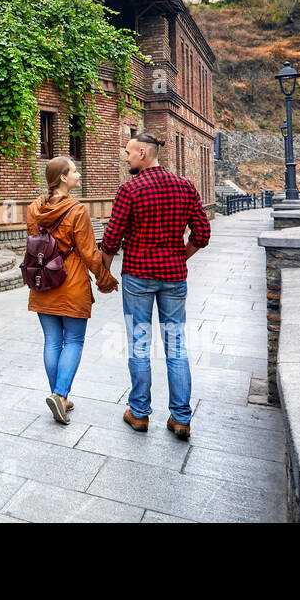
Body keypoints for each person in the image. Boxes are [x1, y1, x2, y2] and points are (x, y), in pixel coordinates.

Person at [99, 131, 211, 440]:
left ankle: (139, 413)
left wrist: (103, 274)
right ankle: (181, 419)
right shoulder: (186, 187)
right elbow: (202, 234)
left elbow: (111, 239)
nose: (126, 157)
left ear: (143, 155)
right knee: (176, 346)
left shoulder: (130, 190)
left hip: (138, 275)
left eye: (129, 152)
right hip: (174, 276)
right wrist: (179, 257)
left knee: (139, 344)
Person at [26, 155, 118, 425]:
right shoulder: (77, 211)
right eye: (75, 171)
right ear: (63, 178)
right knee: (74, 341)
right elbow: (90, 253)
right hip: (72, 282)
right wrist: (105, 280)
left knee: (52, 341)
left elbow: (34, 244)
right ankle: (61, 394)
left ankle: (59, 395)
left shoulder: (33, 209)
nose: (79, 175)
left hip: (42, 281)